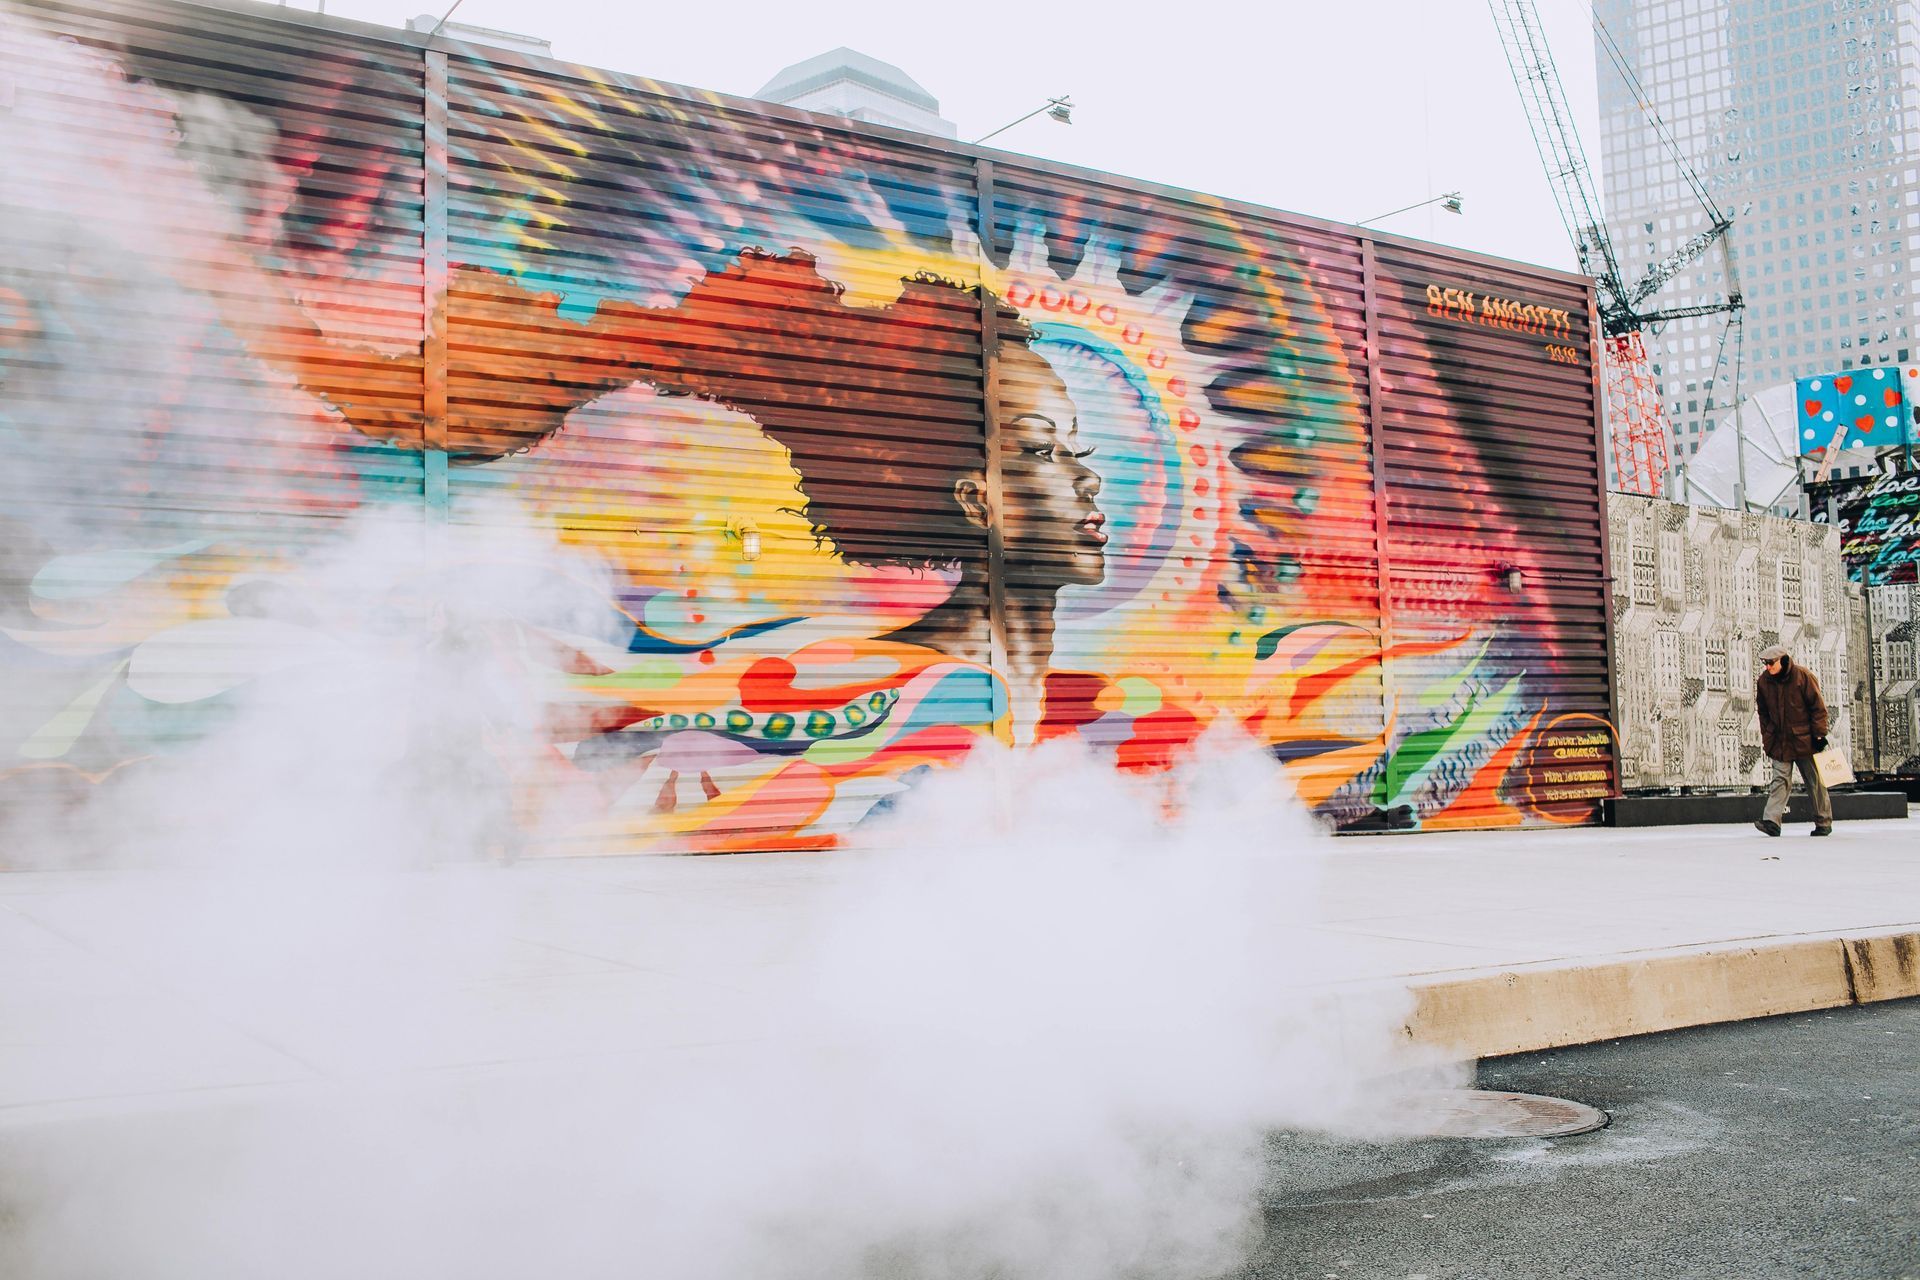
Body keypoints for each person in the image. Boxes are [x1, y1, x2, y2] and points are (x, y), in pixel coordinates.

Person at [1753, 644, 1833, 837]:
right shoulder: (1764, 681)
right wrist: (1768, 735)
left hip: (1806, 741)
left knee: (1814, 782)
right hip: (1780, 741)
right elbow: (1763, 712)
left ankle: (1823, 822)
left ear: (1783, 660)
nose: (1768, 667)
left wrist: (1820, 734)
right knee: (1779, 780)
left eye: (1771, 663)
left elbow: (1818, 708)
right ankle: (1772, 821)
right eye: (1765, 663)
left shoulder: (1803, 676)